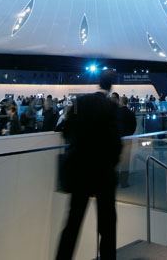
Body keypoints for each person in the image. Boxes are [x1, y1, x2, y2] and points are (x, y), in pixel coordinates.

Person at [55, 71, 122, 260]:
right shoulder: (111, 107)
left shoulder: (81, 102)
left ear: (98, 82)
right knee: (107, 225)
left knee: (73, 223)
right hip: (104, 172)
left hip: (80, 171)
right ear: (111, 86)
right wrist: (111, 163)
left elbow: (66, 131)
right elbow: (116, 143)